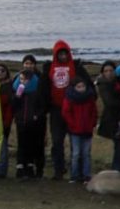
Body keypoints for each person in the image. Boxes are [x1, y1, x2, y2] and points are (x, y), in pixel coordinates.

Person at [38, 40, 93, 180]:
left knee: (77, 141)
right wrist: (44, 108)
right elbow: (43, 89)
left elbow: (89, 86)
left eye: (65, 53)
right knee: (57, 141)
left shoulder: (77, 67)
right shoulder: (48, 68)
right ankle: (58, 169)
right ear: (55, 54)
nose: (63, 56)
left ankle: (78, 171)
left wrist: (84, 101)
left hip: (74, 109)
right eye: (60, 54)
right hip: (56, 110)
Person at [96, 63, 120, 172]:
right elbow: (110, 103)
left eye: (111, 70)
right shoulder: (107, 85)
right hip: (115, 121)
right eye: (106, 71)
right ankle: (117, 172)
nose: (109, 73)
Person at [13, 59, 47, 178]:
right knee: (22, 144)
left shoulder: (37, 85)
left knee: (34, 145)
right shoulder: (17, 86)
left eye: (31, 63)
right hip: (21, 120)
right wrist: (18, 95)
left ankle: (32, 168)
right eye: (26, 63)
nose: (24, 81)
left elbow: (42, 104)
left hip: (34, 121)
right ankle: (20, 168)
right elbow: (14, 104)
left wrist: (37, 115)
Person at [62, 78, 98, 183]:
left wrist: (92, 124)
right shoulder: (69, 98)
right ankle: (74, 175)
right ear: (74, 87)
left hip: (87, 130)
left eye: (83, 86)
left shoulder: (90, 98)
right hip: (75, 130)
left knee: (86, 153)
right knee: (76, 153)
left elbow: (94, 112)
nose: (81, 88)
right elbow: (66, 112)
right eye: (78, 86)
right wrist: (72, 124)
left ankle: (86, 175)